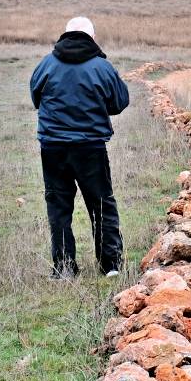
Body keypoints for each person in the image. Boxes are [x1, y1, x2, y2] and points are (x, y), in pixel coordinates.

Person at [30, 16, 130, 279]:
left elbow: (35, 97)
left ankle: (64, 268)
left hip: (53, 147)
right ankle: (110, 264)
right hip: (90, 147)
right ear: (92, 37)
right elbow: (119, 101)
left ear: (66, 35)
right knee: (101, 204)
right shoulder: (101, 66)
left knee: (59, 206)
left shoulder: (47, 63)